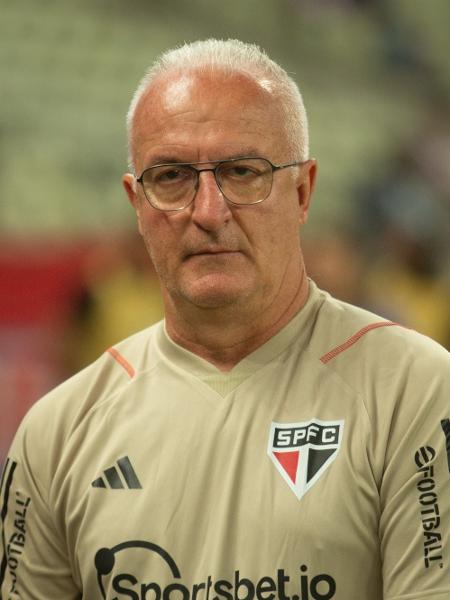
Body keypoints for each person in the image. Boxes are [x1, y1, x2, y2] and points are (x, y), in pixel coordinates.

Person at [1, 39, 449, 600]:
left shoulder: (417, 391)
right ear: (135, 205)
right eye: (170, 177)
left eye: (243, 172)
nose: (208, 211)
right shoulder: (55, 434)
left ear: (303, 191)